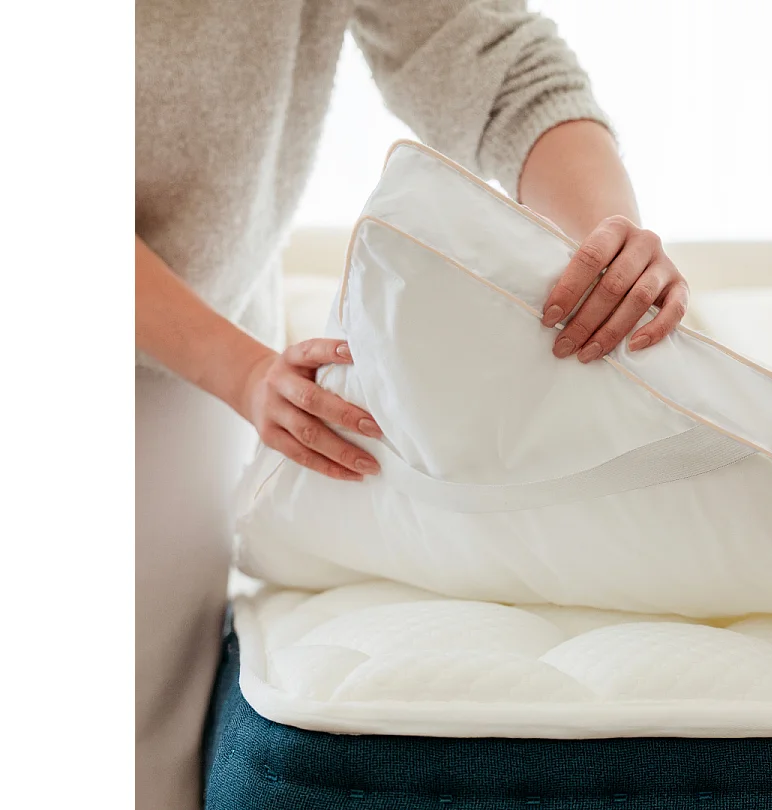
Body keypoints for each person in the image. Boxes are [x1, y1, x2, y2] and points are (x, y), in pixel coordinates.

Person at [136, 2, 690, 808]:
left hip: (204, 317)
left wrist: (611, 239)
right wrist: (244, 373)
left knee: (156, 739)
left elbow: (499, 65)